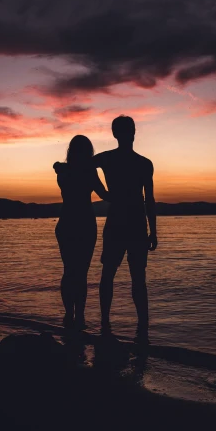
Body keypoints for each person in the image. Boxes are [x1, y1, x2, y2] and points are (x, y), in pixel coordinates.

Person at [93, 116, 157, 338]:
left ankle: (131, 325)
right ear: (130, 133)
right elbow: (149, 199)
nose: (132, 133)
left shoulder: (135, 162)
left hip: (129, 223)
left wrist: (154, 231)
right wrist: (103, 192)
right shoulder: (140, 163)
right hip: (128, 223)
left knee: (128, 276)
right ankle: (133, 326)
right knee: (118, 274)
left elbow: (149, 199)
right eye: (130, 129)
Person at [53, 135, 110, 331]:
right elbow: (104, 195)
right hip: (83, 223)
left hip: (67, 223)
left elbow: (64, 172)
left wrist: (61, 166)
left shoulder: (63, 171)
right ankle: (79, 317)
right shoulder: (87, 172)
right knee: (80, 273)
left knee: (70, 271)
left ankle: (71, 315)